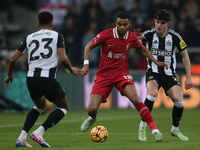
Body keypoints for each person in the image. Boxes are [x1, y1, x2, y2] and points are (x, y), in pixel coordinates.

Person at [80, 12, 168, 142]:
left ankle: (155, 130)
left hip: (122, 74)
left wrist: (155, 61)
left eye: (125, 24)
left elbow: (142, 49)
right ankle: (93, 118)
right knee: (92, 109)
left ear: (129, 24)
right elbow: (88, 46)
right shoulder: (106, 34)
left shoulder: (132, 37)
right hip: (104, 75)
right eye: (119, 24)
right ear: (116, 23)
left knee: (135, 99)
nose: (122, 27)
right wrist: (86, 65)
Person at [4, 11, 80, 147]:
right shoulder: (58, 36)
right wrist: (71, 69)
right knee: (64, 106)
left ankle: (21, 138)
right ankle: (39, 132)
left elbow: (12, 59)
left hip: (31, 79)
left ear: (38, 24)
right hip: (46, 78)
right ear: (52, 23)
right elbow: (62, 58)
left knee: (39, 106)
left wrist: (10, 75)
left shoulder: (29, 37)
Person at [138, 9, 193, 142]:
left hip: (169, 75)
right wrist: (135, 39)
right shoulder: (148, 35)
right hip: (153, 72)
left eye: (162, 23)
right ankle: (142, 126)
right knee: (151, 94)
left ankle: (175, 129)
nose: (158, 25)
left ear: (168, 24)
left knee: (179, 101)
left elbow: (185, 55)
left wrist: (189, 76)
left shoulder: (175, 37)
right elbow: (135, 43)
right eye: (157, 22)